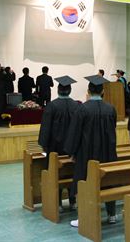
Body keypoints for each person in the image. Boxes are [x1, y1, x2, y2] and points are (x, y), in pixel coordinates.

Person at [66, 75, 118, 227]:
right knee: (108, 182)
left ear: (88, 91)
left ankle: (83, 218)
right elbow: (112, 129)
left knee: (83, 181)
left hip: (86, 154)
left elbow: (75, 133)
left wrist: (72, 152)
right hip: (107, 152)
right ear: (103, 92)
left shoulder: (83, 109)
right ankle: (111, 214)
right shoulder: (111, 109)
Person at [38, 75, 80, 209]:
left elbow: (45, 128)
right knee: (71, 172)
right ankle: (72, 200)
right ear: (70, 90)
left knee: (56, 174)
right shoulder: (76, 106)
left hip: (55, 147)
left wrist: (44, 145)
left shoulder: (52, 106)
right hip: (72, 148)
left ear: (57, 90)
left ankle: (58, 203)